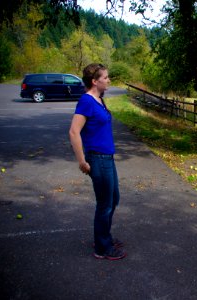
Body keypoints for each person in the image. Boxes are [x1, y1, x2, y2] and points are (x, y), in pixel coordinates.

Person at [69, 63, 126, 260]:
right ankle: (102, 247)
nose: (109, 80)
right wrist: (82, 161)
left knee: (114, 199)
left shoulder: (99, 100)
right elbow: (74, 131)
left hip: (107, 159)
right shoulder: (86, 101)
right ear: (95, 81)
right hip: (98, 159)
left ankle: (103, 237)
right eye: (105, 77)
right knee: (105, 204)